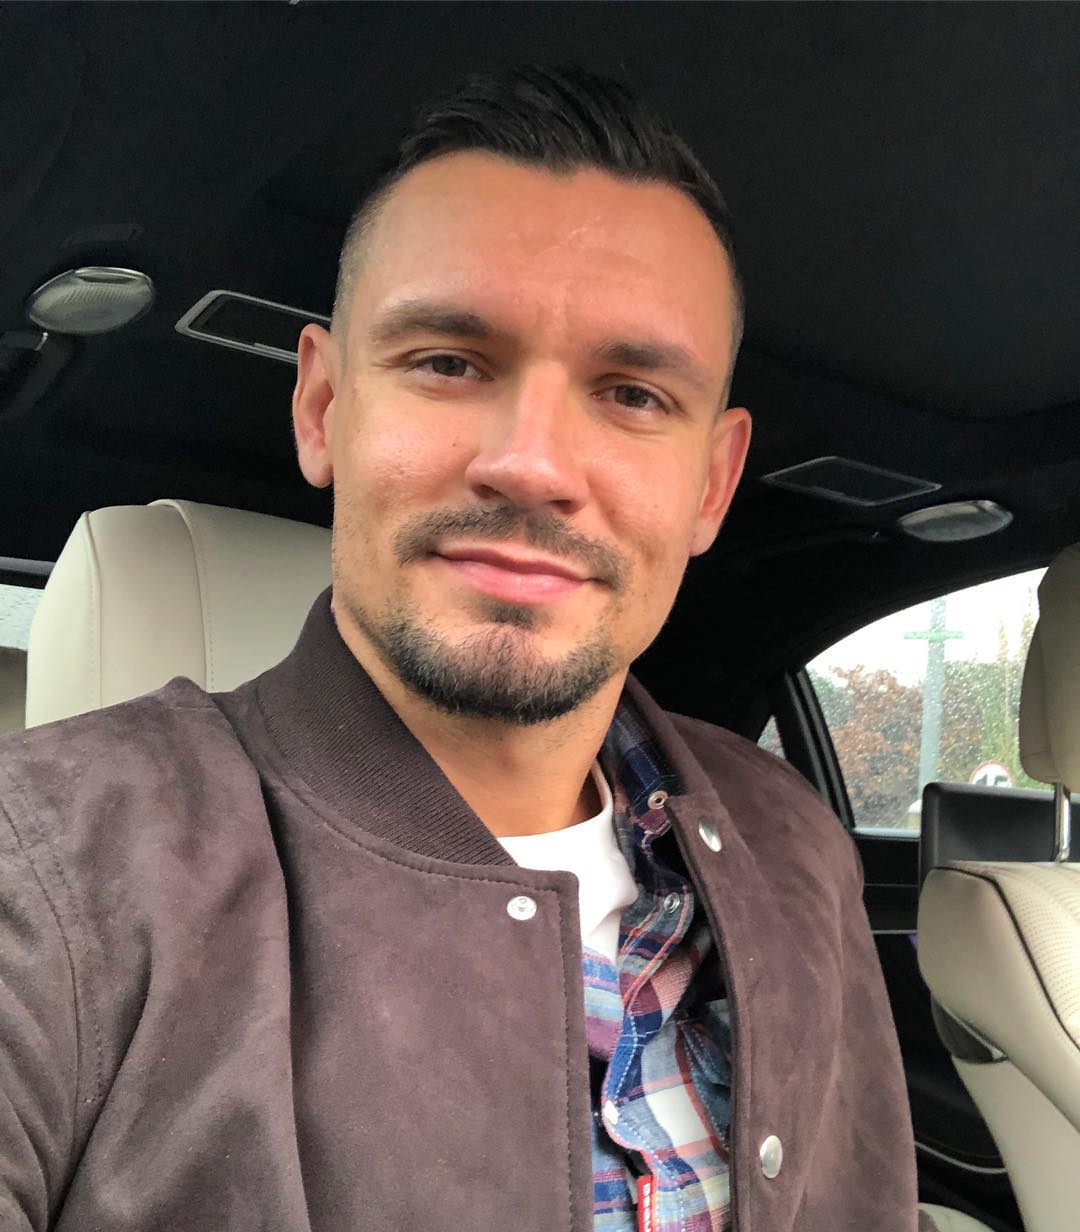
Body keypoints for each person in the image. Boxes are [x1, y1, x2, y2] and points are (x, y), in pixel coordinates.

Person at [0, 65, 935, 1232]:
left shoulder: (794, 840)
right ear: (323, 408)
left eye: (633, 393)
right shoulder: (50, 867)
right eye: (449, 360)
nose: (531, 464)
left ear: (712, 482)